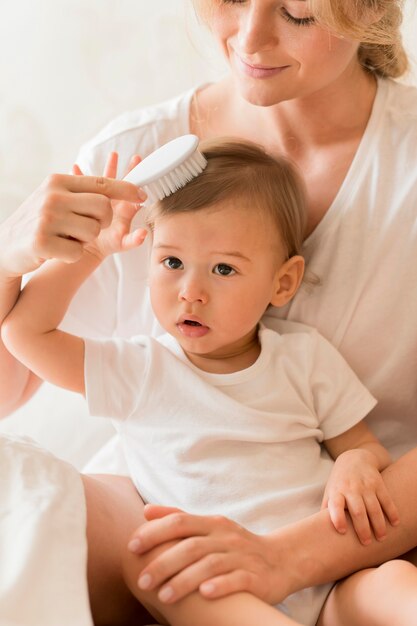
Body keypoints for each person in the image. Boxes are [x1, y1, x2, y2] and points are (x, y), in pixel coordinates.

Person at [1, 0, 417, 624]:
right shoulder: (134, 158)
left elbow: (357, 445)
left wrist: (287, 556)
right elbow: (14, 379)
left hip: (356, 536)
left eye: (298, 13)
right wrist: (10, 261)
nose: (250, 37)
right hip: (163, 537)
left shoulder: (399, 174)